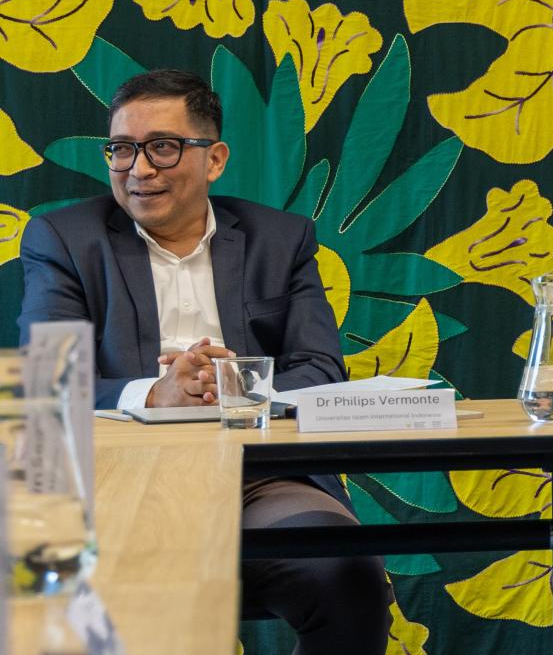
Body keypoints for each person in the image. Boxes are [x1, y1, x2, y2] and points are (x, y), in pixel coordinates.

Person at [18, 70, 390, 653]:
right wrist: (155, 394)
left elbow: (320, 370)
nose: (139, 169)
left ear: (213, 159)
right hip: (111, 487)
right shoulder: (63, 240)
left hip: (261, 481)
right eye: (121, 149)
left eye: (163, 147)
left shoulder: (281, 238)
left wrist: (231, 382)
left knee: (345, 573)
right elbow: (48, 382)